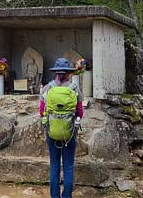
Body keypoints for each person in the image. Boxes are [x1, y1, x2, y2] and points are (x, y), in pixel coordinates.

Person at [39, 58, 84, 198]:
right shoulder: (74, 88)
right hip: (69, 133)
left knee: (54, 166)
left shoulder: (48, 88)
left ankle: (54, 196)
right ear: (69, 74)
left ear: (55, 73)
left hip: (52, 132)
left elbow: (41, 111)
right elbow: (80, 112)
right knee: (68, 167)